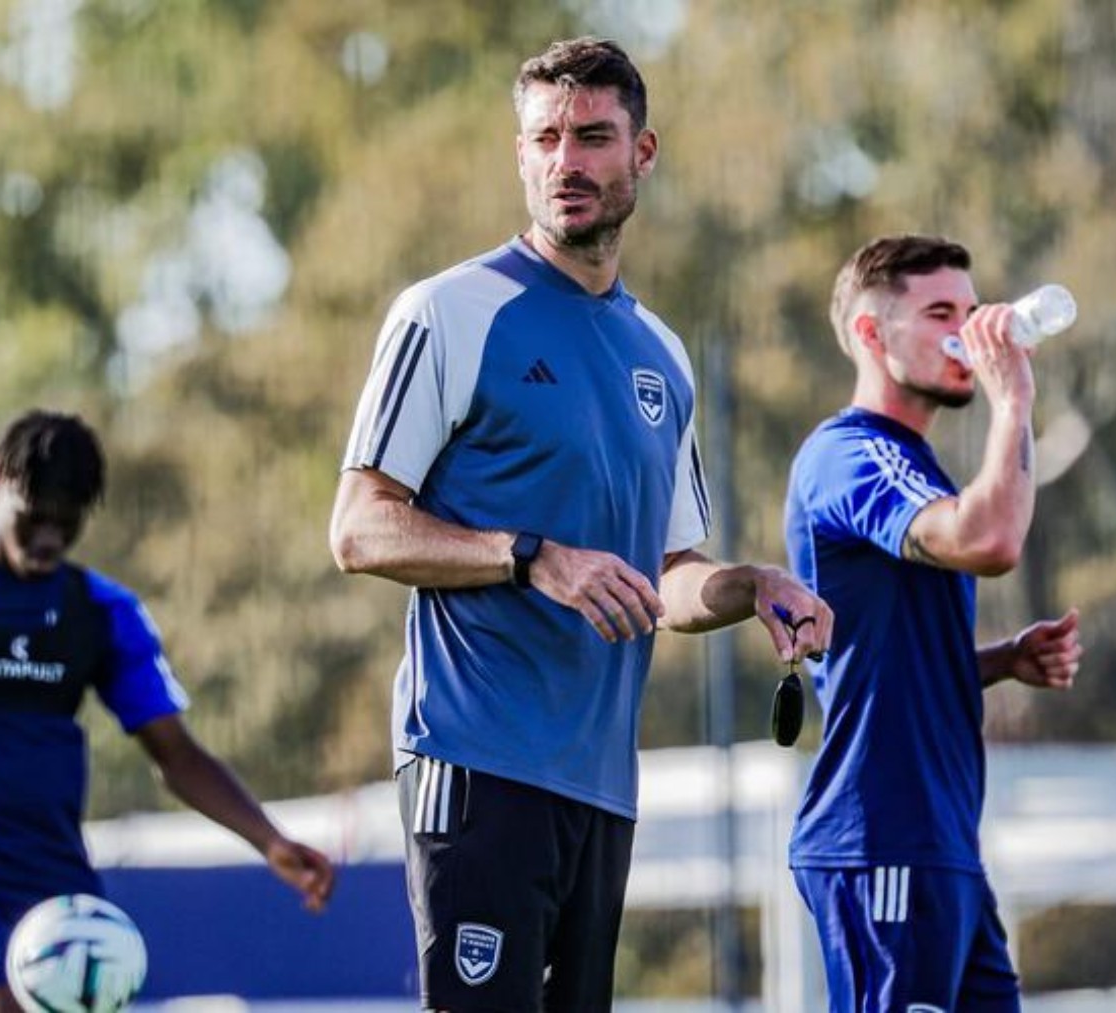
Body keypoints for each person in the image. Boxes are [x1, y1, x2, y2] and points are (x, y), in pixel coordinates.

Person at [327, 36, 832, 1012]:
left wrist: (751, 584)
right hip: (473, 758)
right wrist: (529, 556)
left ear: (643, 153)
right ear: (519, 154)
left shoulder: (662, 354)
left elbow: (670, 575)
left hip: (600, 786)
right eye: (546, 138)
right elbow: (360, 528)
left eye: (594, 136)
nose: (568, 161)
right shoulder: (449, 312)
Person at [0, 409, 335, 1013]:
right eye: (34, 517)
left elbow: (175, 754)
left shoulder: (103, 613)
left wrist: (269, 840)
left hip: (56, 885)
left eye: (65, 524)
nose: (48, 539)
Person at [782, 234, 1083, 1012]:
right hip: (883, 836)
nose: (970, 330)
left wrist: (1001, 659)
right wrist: (1013, 398)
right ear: (871, 336)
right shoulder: (851, 454)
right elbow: (989, 541)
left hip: (941, 842)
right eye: (941, 312)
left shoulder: (913, 463)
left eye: (974, 309)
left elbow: (881, 656)